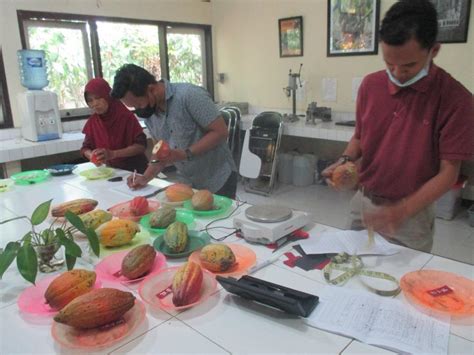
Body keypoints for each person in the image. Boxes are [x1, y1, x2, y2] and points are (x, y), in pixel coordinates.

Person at [322, 0, 473, 253]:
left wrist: (399, 212)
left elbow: (449, 174)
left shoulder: (456, 99)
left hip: (412, 213)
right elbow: (360, 136)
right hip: (364, 203)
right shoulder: (371, 86)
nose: (397, 73)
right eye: (389, 64)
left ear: (433, 50)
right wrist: (345, 160)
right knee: (349, 273)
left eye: (408, 66)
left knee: (403, 285)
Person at [110, 64, 238, 198]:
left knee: (219, 218)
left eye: (138, 104)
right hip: (187, 182)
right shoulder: (150, 112)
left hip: (217, 178)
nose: (138, 109)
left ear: (151, 89)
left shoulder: (189, 95)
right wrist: (145, 177)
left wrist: (185, 154)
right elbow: (158, 153)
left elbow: (220, 132)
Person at [80, 77, 148, 173]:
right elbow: (85, 148)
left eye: (98, 98)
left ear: (107, 95)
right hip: (111, 172)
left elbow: (141, 146)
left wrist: (113, 154)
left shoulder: (125, 116)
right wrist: (91, 155)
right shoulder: (93, 122)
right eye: (90, 100)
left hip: (135, 171)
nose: (95, 104)